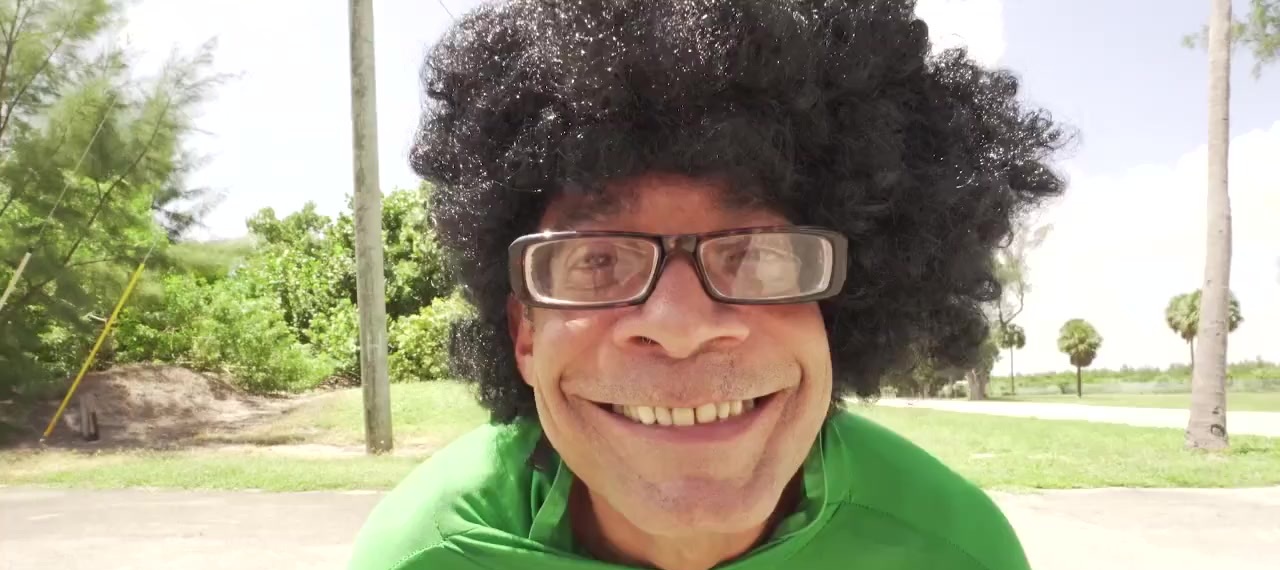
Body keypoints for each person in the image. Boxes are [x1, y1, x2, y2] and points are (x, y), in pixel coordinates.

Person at [349, 0, 1067, 569]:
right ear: (526, 336)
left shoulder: (955, 552)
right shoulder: (423, 556)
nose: (680, 325)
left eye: (756, 256)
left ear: (838, 311)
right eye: (598, 262)